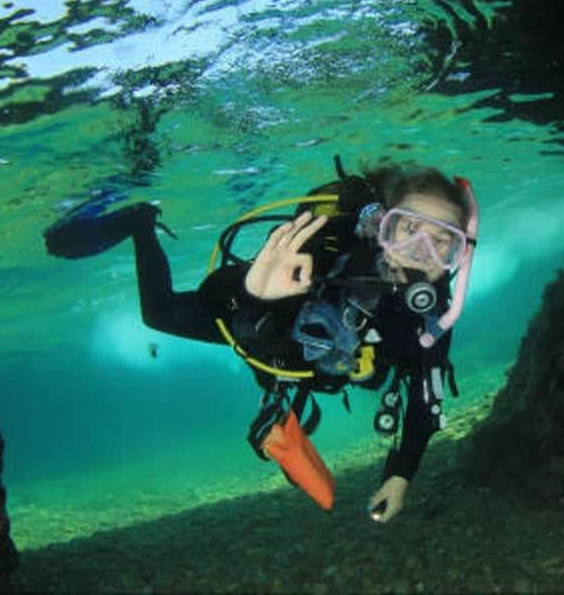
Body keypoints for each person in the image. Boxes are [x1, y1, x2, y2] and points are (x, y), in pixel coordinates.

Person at [44, 157, 479, 523]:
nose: (422, 251)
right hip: (270, 326)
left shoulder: (433, 312)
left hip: (315, 358)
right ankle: (141, 224)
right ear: (381, 225)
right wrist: (252, 292)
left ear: (458, 257)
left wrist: (401, 474)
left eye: (443, 242)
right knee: (158, 314)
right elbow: (216, 295)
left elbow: (427, 396)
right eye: (409, 230)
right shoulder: (329, 247)